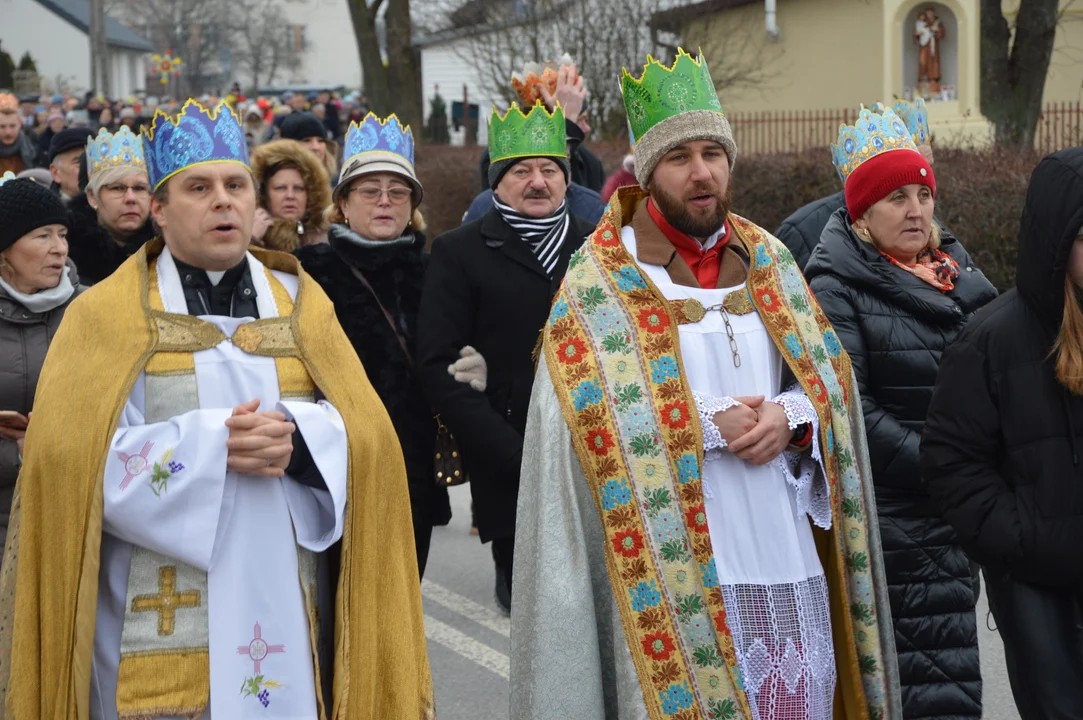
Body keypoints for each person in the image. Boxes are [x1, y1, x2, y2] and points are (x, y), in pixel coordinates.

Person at [0, 99, 434, 718]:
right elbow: (66, 461)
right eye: (198, 188)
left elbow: (369, 439)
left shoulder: (303, 305)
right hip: (151, 609)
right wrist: (210, 447)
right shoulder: (103, 316)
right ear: (158, 208)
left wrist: (299, 437)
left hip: (287, 594)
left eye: (235, 185)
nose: (223, 201)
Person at [511, 49, 901, 720]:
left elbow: (829, 382)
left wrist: (791, 417)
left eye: (713, 154)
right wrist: (701, 422)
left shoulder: (768, 258)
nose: (702, 173)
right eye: (680, 157)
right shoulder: (601, 276)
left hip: (783, 543)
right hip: (680, 564)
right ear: (647, 170)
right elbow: (581, 414)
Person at [805, 106, 994, 720]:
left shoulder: (960, 276)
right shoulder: (835, 285)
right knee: (914, 687)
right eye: (895, 198)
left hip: (960, 513)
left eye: (922, 193)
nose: (915, 209)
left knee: (952, 679)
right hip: (894, 523)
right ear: (861, 214)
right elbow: (851, 410)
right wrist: (949, 468)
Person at [920, 147, 1083, 719]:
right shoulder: (991, 341)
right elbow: (951, 462)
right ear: (1057, 241)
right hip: (1040, 593)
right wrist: (1025, 542)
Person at [418, 100, 595, 614]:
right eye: (521, 171)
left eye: (548, 170)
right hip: (509, 467)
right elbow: (439, 366)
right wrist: (511, 454)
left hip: (597, 462)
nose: (537, 181)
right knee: (531, 613)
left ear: (566, 179)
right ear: (497, 184)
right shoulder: (459, 251)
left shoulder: (600, 248)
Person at [296, 113, 451, 577]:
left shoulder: (438, 273)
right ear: (342, 202)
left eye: (397, 191)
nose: (384, 201)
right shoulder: (306, 271)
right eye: (369, 190)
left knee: (403, 598)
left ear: (411, 205)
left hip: (413, 469)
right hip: (334, 466)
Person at [0, 172, 84, 557]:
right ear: (5, 251)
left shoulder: (93, 309)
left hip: (75, 513)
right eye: (42, 235)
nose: (58, 248)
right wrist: (16, 453)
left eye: (62, 234)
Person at [776, 100, 935, 271]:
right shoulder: (802, 232)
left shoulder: (945, 258)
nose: (917, 211)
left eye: (924, 193)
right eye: (898, 196)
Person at [477, 63, 606, 194]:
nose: (587, 128)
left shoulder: (589, 162)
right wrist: (566, 126)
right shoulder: (502, 152)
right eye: (579, 120)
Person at [66, 126, 156, 285]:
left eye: (140, 188)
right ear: (92, 197)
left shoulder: (168, 251)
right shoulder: (67, 258)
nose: (130, 198)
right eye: (117, 188)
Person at [250, 139, 330, 251]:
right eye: (280, 188)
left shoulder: (327, 240)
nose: (290, 196)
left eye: (298, 188)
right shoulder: (249, 234)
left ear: (311, 194)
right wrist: (251, 240)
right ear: (263, 194)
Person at [280, 111, 338, 188]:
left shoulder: (337, 183)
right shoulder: (273, 181)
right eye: (306, 140)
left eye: (320, 141)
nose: (316, 147)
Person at [48, 127, 94, 202]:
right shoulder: (47, 211)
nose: (89, 169)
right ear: (55, 172)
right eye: (79, 162)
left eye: (93, 161)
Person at [0, 94, 41, 176]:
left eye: (12, 126)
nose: (8, 132)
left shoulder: (33, 150)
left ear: (20, 124)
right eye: (2, 126)